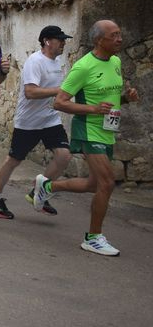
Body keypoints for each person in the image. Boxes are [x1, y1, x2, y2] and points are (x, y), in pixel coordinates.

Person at [34, 20, 140, 256]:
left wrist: (125, 98)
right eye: (114, 36)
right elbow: (59, 102)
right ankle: (93, 237)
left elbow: (109, 99)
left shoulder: (115, 62)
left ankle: (47, 186)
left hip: (107, 130)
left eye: (120, 34)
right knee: (107, 183)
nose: (120, 39)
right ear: (99, 40)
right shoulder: (83, 67)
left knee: (94, 184)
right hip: (89, 130)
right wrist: (93, 110)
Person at [0, 25, 73, 219]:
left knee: (64, 156)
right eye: (60, 40)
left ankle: (38, 192)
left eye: (64, 40)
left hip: (50, 119)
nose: (63, 43)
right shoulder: (35, 61)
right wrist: (59, 91)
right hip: (28, 122)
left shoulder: (58, 61)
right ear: (47, 41)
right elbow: (30, 92)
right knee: (13, 160)